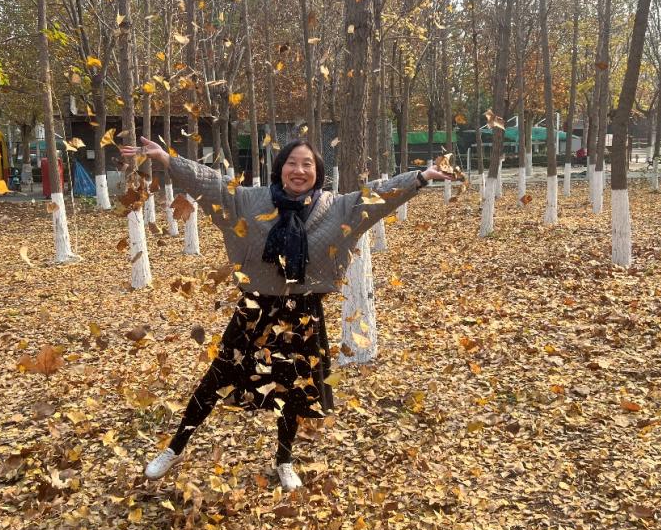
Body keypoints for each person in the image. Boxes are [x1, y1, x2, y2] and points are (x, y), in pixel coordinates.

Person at [122, 136, 453, 492]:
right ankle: (174, 448)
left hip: (302, 313)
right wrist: (167, 159)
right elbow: (210, 184)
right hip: (255, 309)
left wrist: (420, 177)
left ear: (317, 172)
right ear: (280, 168)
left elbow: (377, 196)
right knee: (216, 380)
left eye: (307, 164)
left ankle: (284, 460)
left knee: (292, 391)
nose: (299, 170)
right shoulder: (249, 201)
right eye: (292, 163)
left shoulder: (337, 208)